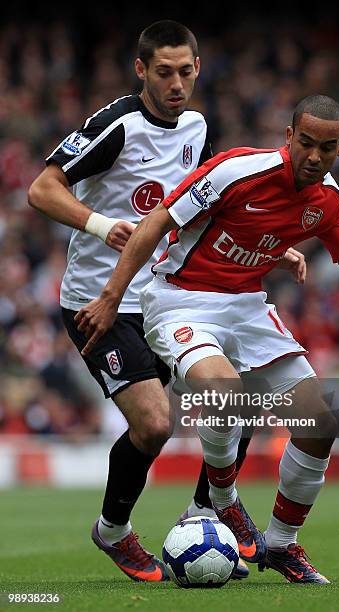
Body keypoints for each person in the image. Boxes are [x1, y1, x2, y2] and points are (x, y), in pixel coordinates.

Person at [72, 95, 339, 584]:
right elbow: (157, 222)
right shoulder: (235, 171)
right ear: (288, 137)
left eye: (326, 148)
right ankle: (223, 499)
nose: (313, 156)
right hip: (179, 299)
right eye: (305, 143)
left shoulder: (328, 199)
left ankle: (282, 545)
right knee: (226, 394)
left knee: (320, 423)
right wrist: (113, 296)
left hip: (246, 307)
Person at [27, 19, 227, 583]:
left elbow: (203, 205)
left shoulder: (196, 127)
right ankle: (112, 531)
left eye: (186, 72)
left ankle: (206, 520)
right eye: (164, 72)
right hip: (99, 302)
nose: (176, 84)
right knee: (156, 424)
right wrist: (99, 224)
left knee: (234, 399)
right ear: (141, 70)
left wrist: (272, 249)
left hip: (166, 297)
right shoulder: (115, 125)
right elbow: (41, 188)